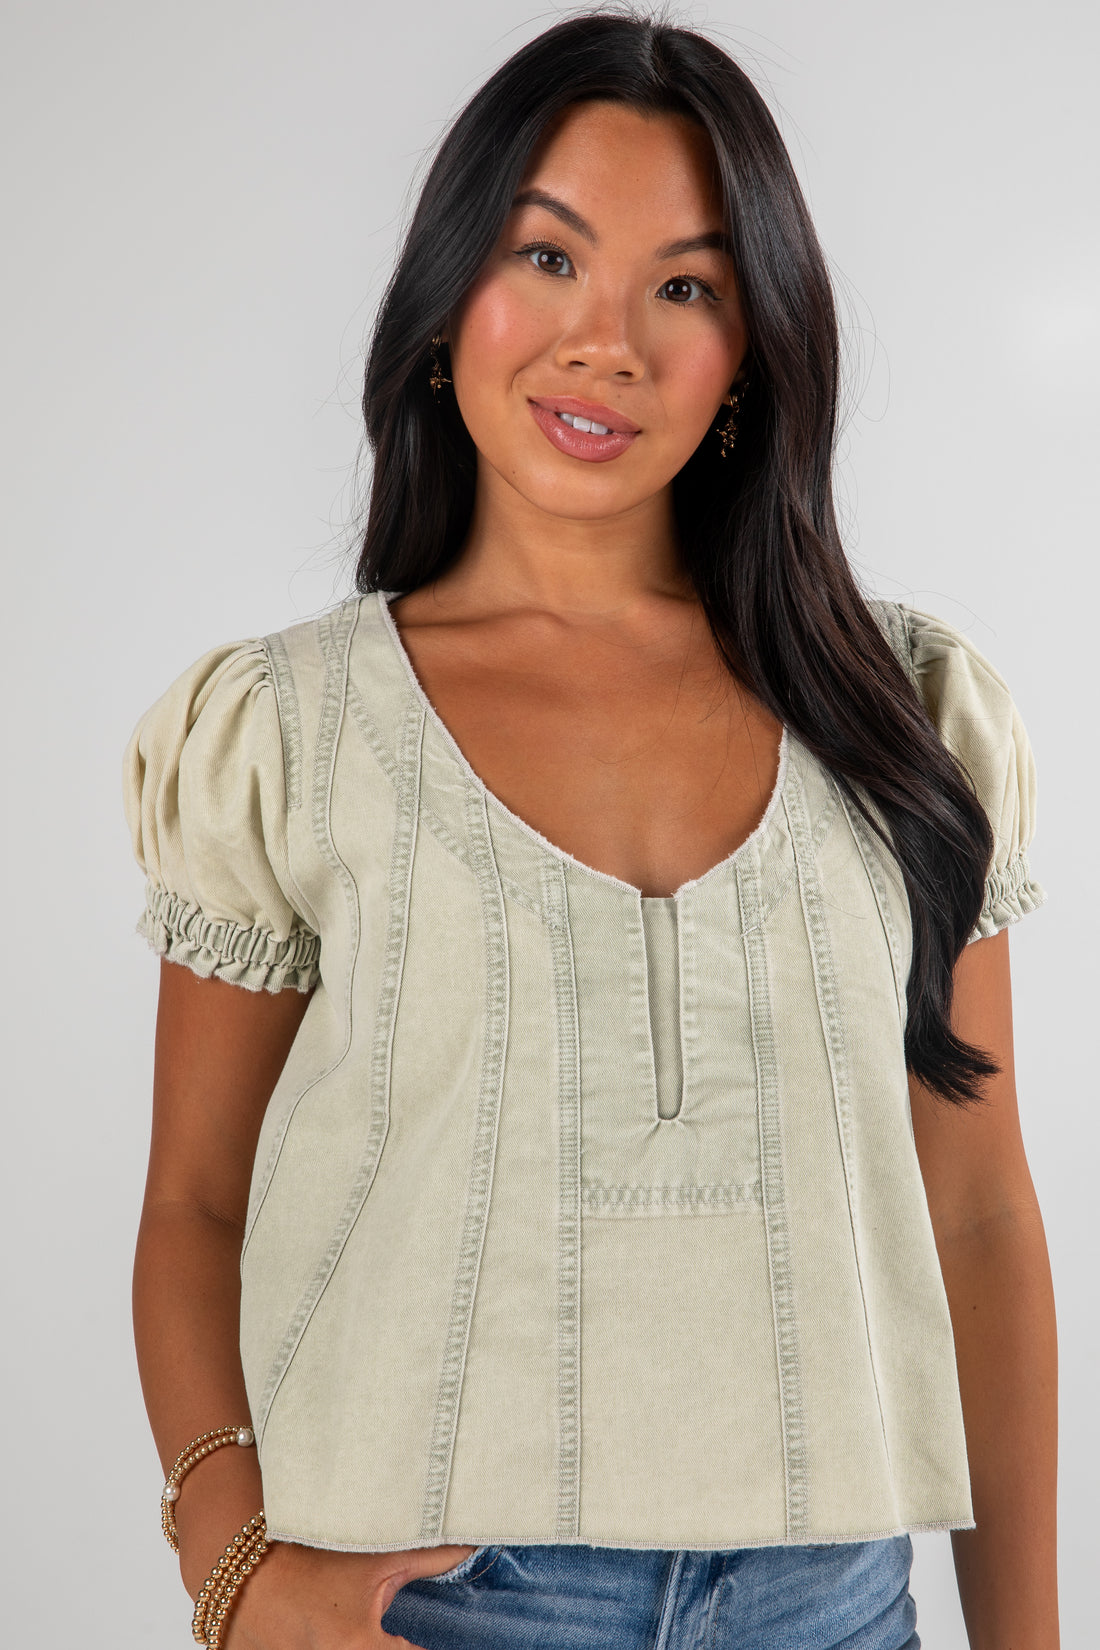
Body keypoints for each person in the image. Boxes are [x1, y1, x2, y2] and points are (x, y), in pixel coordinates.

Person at [121, 9, 1059, 1649]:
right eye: (546, 257)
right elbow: (193, 1200)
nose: (606, 342)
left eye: (684, 286)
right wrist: (237, 1575)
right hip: (423, 1599)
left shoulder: (909, 710)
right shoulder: (293, 732)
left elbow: (979, 1209)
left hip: (834, 1603)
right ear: (441, 304)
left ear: (754, 347)